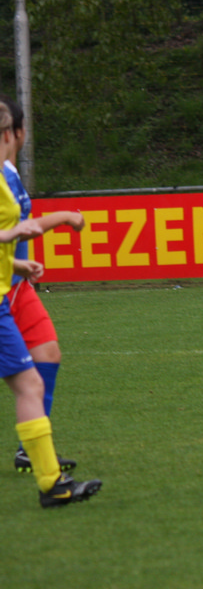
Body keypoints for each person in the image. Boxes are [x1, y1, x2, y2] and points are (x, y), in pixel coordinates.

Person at [0, 99, 101, 507]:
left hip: (12, 287)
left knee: (41, 365)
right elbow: (18, 228)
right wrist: (64, 218)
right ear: (15, 133)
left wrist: (16, 264)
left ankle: (46, 474)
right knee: (29, 384)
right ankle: (50, 481)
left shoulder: (8, 174)